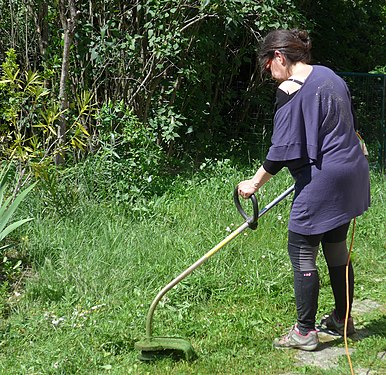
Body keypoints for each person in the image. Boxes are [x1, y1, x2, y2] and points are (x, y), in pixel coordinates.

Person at [237, 29, 370, 351]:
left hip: (324, 179)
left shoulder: (290, 90)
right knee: (336, 248)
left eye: (268, 66)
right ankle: (342, 317)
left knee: (301, 250)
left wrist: (253, 183)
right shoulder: (329, 75)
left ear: (279, 57)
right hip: (352, 171)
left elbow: (282, 150)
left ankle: (305, 332)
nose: (270, 74)